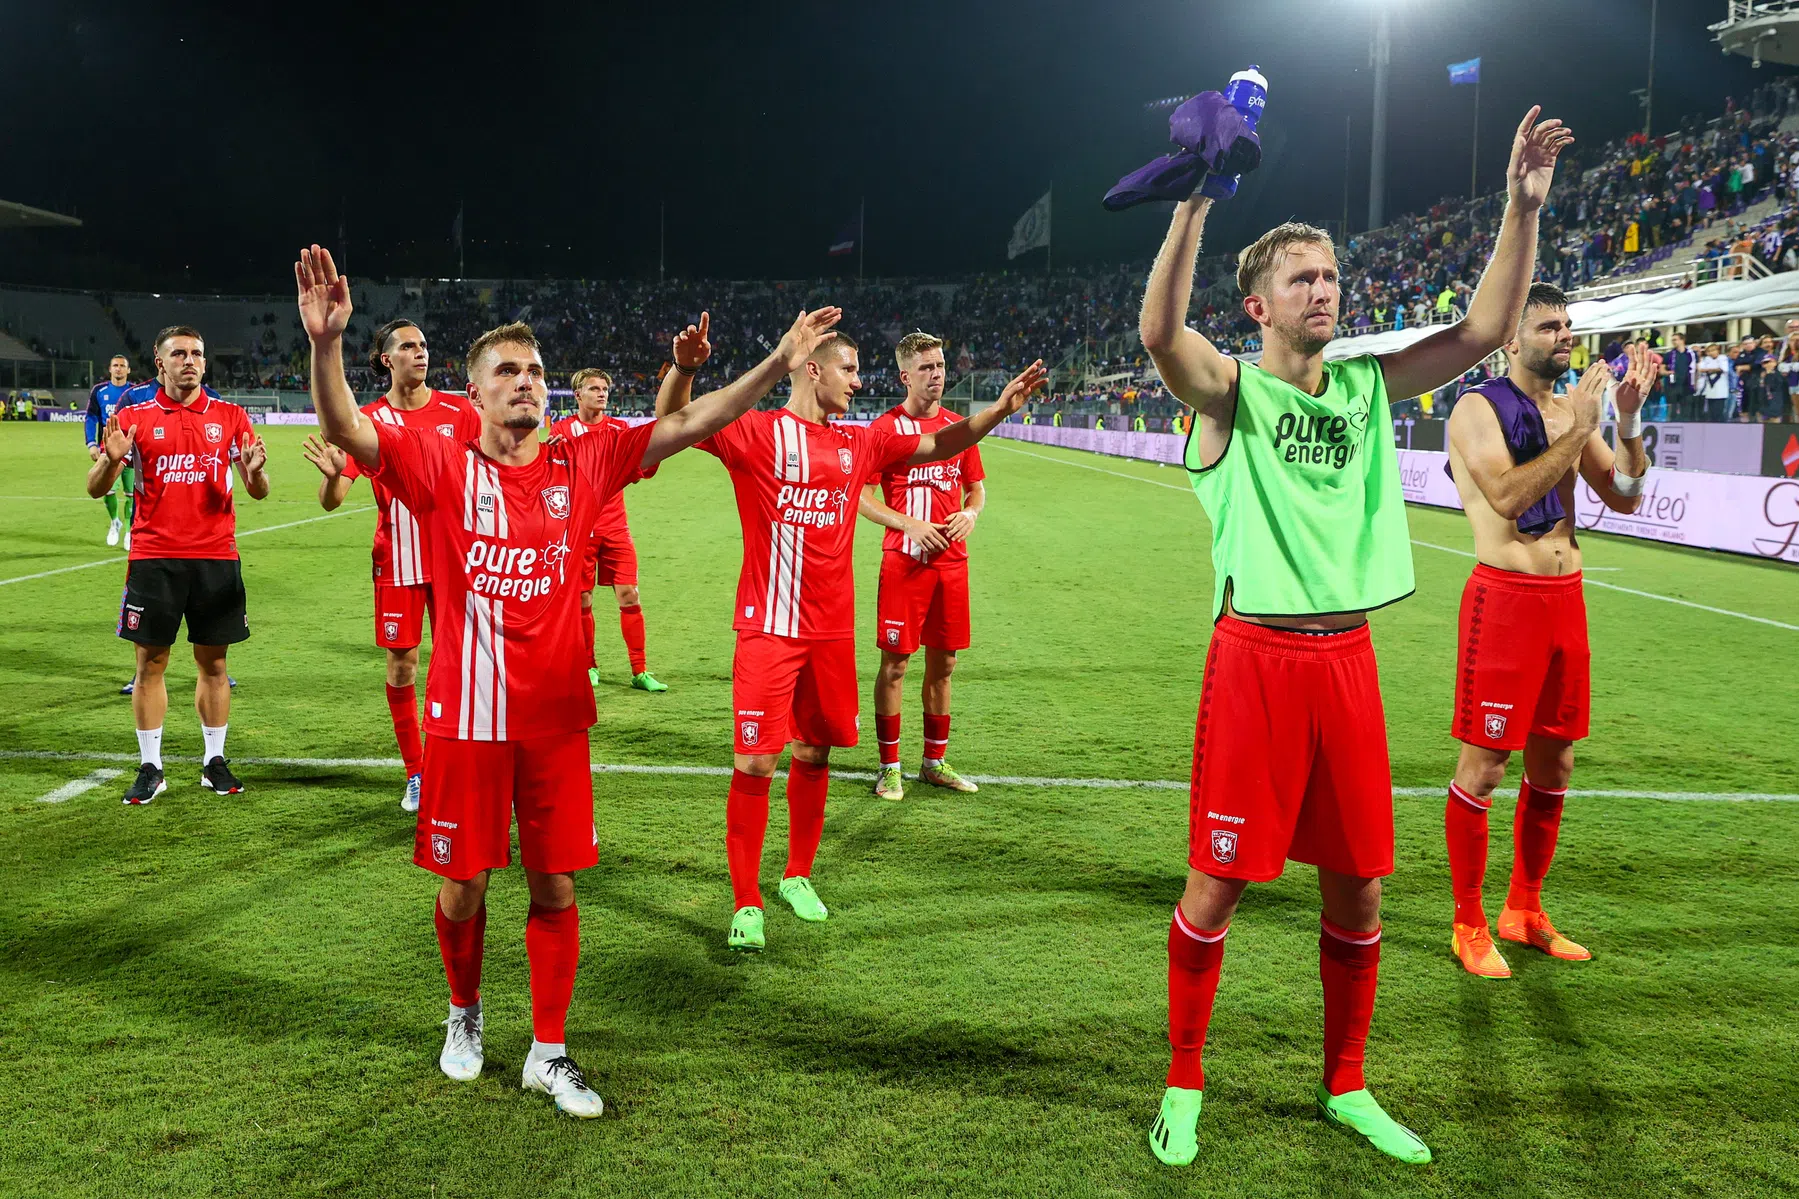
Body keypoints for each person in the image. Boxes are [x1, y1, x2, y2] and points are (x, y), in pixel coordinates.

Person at [298, 244, 843, 1118]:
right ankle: (464, 1014)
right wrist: (326, 347)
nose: (525, 381)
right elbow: (350, 432)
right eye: (506, 371)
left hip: (555, 721)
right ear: (471, 392)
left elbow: (690, 423)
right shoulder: (438, 461)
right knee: (464, 883)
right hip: (465, 721)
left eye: (535, 369)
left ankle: (548, 1050)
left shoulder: (584, 458)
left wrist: (779, 364)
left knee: (555, 886)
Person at [1138, 106, 1572, 1168]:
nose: (1322, 289)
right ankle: (1183, 1081)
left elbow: (1477, 332)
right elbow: (1159, 336)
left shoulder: (1370, 386)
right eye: (1299, 278)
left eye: (1328, 275)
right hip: (1253, 657)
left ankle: (1345, 1083)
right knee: (1217, 882)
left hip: (1345, 661)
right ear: (1257, 303)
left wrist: (1518, 209)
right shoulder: (1228, 395)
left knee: (1360, 885)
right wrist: (1194, 203)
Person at [663, 328, 1045, 954]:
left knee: (815, 754)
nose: (859, 381)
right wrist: (683, 369)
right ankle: (745, 899)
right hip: (767, 628)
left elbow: (938, 442)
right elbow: (676, 419)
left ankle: (796, 876)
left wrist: (997, 413)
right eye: (849, 369)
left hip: (831, 634)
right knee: (757, 761)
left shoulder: (859, 441)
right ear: (812, 371)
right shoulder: (758, 433)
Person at [1441, 285, 1656, 979]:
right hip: (1504, 601)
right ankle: (1468, 922)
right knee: (1485, 767)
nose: (1564, 335)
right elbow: (1506, 497)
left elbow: (1623, 495)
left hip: (1566, 600)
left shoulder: (1573, 409)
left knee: (1554, 764)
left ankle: (1522, 909)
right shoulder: (1478, 408)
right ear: (1512, 340)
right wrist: (1577, 428)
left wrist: (1624, 422)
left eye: (1567, 325)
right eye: (1547, 326)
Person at [300, 319, 480, 813]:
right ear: (386, 359)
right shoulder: (368, 420)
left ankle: (458, 762)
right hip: (397, 560)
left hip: (456, 562)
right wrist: (334, 475)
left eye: (423, 344)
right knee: (403, 664)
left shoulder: (460, 412)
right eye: (407, 346)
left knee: (458, 665)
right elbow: (333, 499)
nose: (420, 353)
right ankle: (417, 772)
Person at [86, 326, 270, 804]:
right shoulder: (134, 415)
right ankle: (151, 766)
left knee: (214, 663)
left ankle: (214, 761)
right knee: (151, 664)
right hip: (154, 556)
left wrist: (252, 472)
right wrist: (110, 463)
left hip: (216, 556)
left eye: (197, 354)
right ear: (159, 362)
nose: (190, 361)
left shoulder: (230, 417)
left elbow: (258, 489)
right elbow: (94, 485)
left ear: (205, 363)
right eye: (180, 354)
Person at [858, 332, 988, 801]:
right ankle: (889, 766)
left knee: (945, 663)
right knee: (895, 664)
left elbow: (976, 487)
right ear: (904, 376)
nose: (937, 375)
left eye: (940, 365)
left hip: (952, 563)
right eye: (927, 368)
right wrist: (907, 524)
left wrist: (970, 513)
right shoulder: (884, 431)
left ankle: (934, 762)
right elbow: (862, 496)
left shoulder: (958, 428)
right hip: (904, 563)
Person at [548, 362, 677, 693]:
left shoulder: (619, 428)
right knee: (582, 600)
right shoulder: (562, 432)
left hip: (615, 526)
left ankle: (640, 671)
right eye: (594, 388)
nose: (602, 393)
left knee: (629, 595)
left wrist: (657, 449)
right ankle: (589, 665)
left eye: (604, 389)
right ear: (577, 395)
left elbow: (643, 466)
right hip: (578, 529)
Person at [85, 356, 137, 548]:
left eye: (122, 366)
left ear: (128, 370)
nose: (119, 369)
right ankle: (115, 521)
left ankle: (130, 531)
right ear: (110, 369)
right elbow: (91, 417)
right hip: (106, 450)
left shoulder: (134, 392)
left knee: (132, 493)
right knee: (107, 488)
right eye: (115, 365)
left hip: (132, 450)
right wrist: (91, 443)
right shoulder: (99, 391)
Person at [1661, 333, 1697, 422]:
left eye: (1675, 339)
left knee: (1686, 411)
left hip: (1687, 386)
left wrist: (1696, 382)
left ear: (1682, 340)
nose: (1673, 342)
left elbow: (1696, 369)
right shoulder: (1669, 355)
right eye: (1672, 340)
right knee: (1672, 410)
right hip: (1672, 386)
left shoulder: (1691, 354)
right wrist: (1668, 372)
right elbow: (1661, 370)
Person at [1697, 342, 1731, 421]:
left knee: (1719, 412)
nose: (1711, 353)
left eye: (1713, 350)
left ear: (1717, 350)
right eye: (1708, 351)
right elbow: (1701, 369)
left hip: (1720, 390)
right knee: (1711, 413)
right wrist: (1712, 369)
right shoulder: (1706, 359)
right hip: (1710, 390)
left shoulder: (1723, 358)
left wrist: (1709, 370)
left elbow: (1723, 369)